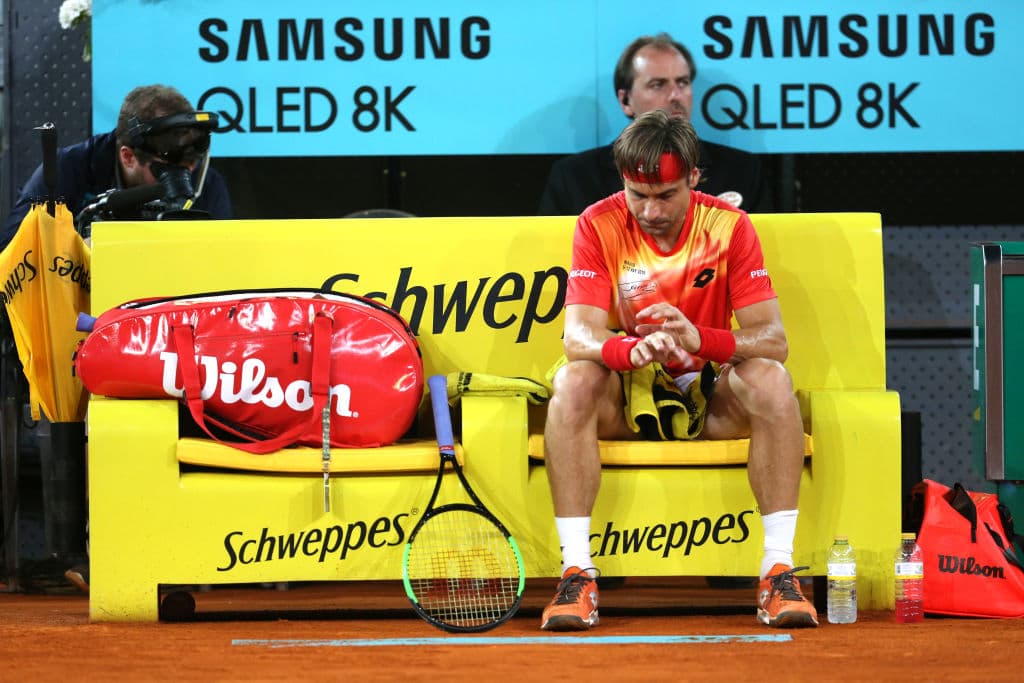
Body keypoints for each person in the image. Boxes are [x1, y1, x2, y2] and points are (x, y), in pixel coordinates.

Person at [539, 110, 816, 631]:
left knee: (771, 379)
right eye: (637, 194)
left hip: (710, 398)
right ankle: (576, 574)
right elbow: (577, 336)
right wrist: (627, 352)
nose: (649, 210)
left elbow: (773, 341)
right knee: (572, 379)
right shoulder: (597, 223)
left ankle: (778, 571)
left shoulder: (728, 226)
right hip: (629, 395)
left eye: (664, 194)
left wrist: (700, 340)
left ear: (693, 177)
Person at [538, 33, 764, 216]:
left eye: (683, 82)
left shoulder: (741, 171)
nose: (676, 95)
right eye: (658, 85)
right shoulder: (575, 178)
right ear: (625, 101)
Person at [1, 84, 233, 252]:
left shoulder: (208, 183)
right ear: (128, 157)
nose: (184, 179)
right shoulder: (67, 170)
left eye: (190, 166)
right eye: (168, 173)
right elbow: (11, 255)